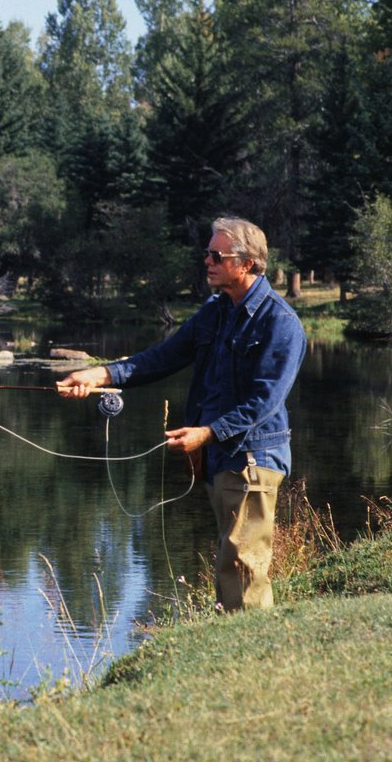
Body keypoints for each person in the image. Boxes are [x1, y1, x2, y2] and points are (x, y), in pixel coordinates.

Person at [57, 217, 307, 611]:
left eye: (216, 255)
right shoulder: (217, 310)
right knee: (229, 559)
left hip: (253, 460)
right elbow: (163, 357)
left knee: (244, 562)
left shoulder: (281, 324)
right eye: (207, 253)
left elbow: (264, 402)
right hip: (219, 459)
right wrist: (101, 373)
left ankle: (255, 655)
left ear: (245, 263)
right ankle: (233, 649)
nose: (206, 261)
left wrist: (207, 433)